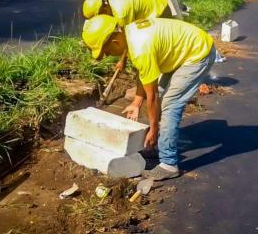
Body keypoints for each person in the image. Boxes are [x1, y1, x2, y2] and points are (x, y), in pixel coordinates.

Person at [82, 15, 216, 180]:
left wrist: (154, 129)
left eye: (107, 51)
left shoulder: (140, 49)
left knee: (170, 104)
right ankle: (154, 145)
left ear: (115, 42)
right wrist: (136, 103)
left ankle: (168, 164)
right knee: (159, 92)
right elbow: (144, 74)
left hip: (197, 53)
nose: (108, 55)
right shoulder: (129, 33)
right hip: (180, 51)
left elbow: (152, 96)